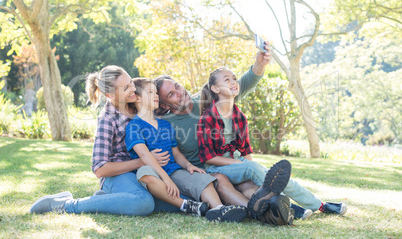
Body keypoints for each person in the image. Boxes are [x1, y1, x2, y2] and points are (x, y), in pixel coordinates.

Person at [154, 44, 347, 224]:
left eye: (177, 86)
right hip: (207, 172)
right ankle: (284, 208)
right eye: (171, 94)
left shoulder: (207, 100)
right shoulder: (165, 124)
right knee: (229, 179)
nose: (179, 92)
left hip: (232, 163)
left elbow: (241, 85)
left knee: (252, 186)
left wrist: (260, 64)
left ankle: (289, 207)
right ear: (163, 104)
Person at [29, 65, 182, 215]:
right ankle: (66, 205)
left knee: (177, 201)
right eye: (126, 88)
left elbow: (162, 99)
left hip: (144, 174)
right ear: (111, 95)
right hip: (117, 176)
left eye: (130, 83)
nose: (133, 89)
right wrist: (143, 161)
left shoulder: (139, 104)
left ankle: (109, 200)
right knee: (144, 202)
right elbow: (100, 168)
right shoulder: (107, 119)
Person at [124, 78, 248, 222]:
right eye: (151, 92)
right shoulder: (134, 126)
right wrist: (165, 178)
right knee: (144, 174)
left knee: (203, 180)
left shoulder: (165, 124)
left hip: (174, 170)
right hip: (152, 171)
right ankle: (187, 205)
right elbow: (144, 155)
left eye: (156, 92)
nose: (156, 95)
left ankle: (218, 209)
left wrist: (189, 166)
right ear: (137, 98)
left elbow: (176, 153)